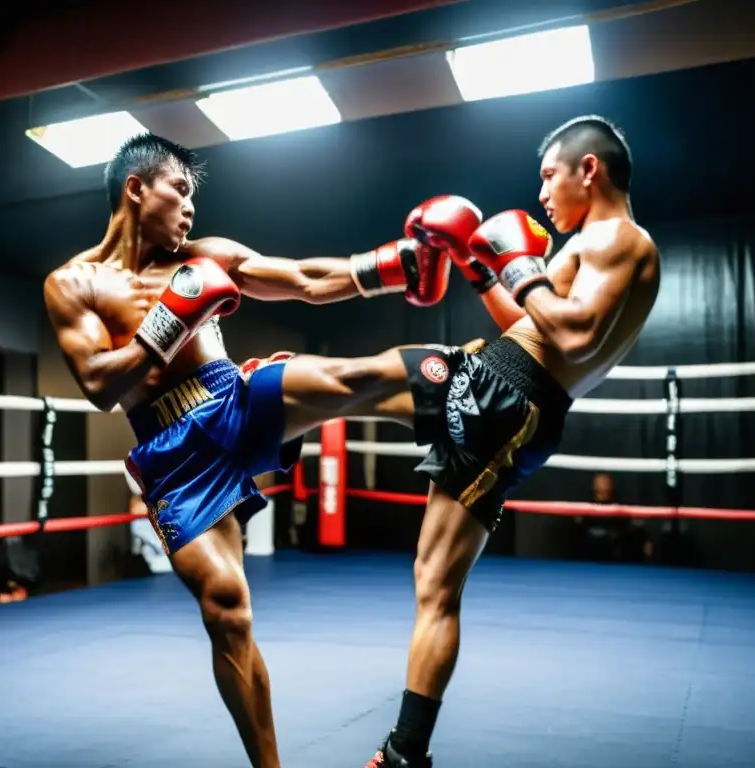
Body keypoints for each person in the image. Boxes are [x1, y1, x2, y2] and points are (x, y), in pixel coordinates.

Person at [43, 133, 453, 768]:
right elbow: (100, 384)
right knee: (227, 613)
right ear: (135, 189)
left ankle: (473, 395)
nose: (190, 209)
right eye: (180, 190)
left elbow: (309, 280)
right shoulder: (73, 283)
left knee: (348, 378)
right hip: (169, 453)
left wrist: (400, 262)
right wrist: (169, 322)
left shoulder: (207, 255)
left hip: (231, 396)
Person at [364, 114, 661, 766]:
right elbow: (534, 322)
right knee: (432, 582)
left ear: (590, 170)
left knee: (359, 381)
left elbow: (573, 335)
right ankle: (405, 753)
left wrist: (520, 266)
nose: (543, 193)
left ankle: (254, 420)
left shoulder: (621, 238)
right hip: (510, 395)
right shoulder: (597, 243)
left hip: (505, 398)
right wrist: (481, 269)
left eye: (549, 175)